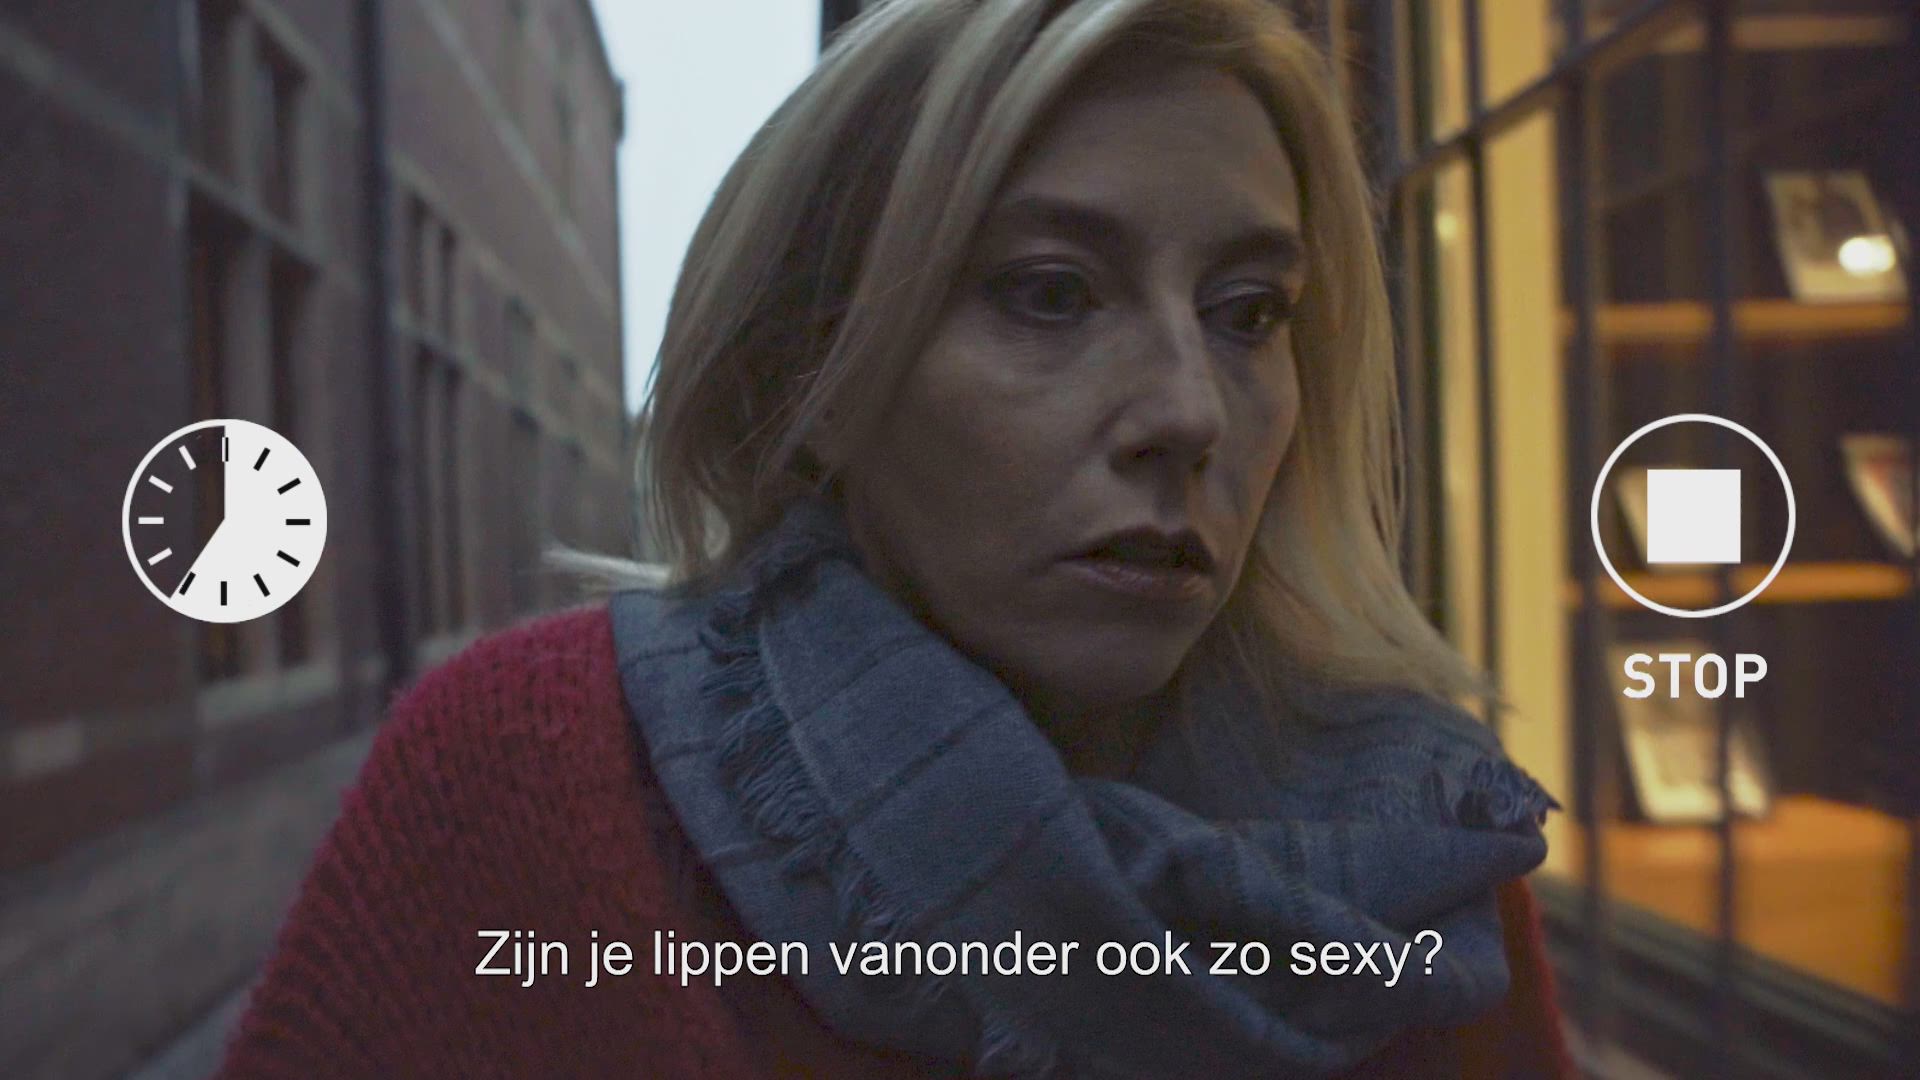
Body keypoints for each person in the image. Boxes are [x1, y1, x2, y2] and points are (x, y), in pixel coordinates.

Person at [218, 0, 1570, 1075]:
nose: (1188, 411)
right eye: (1051, 293)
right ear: (815, 376)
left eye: (1250, 312)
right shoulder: (532, 772)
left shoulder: (1420, 845)